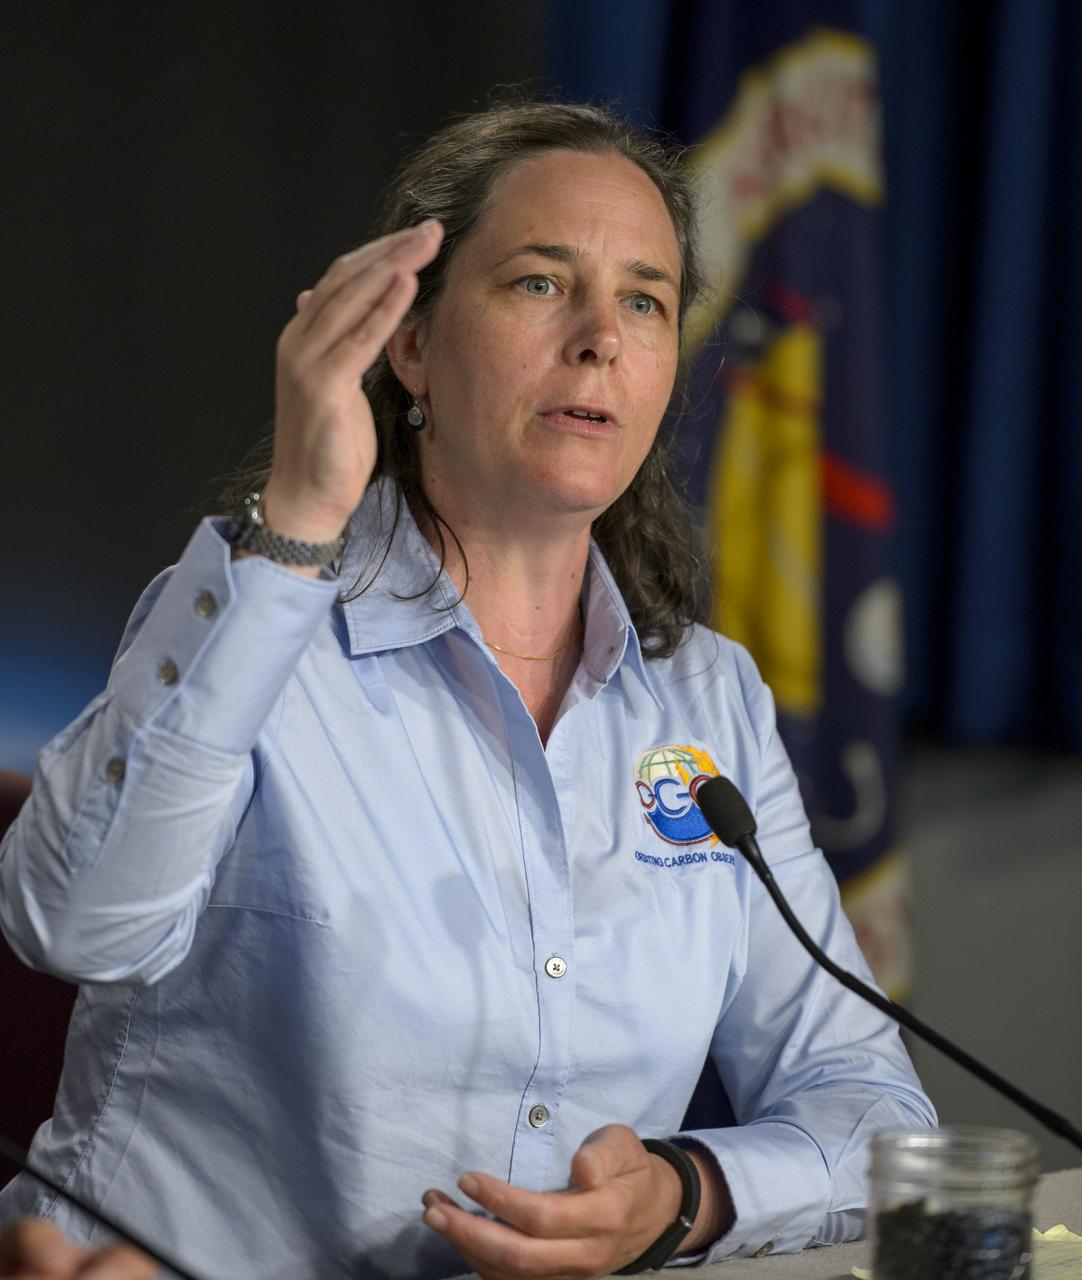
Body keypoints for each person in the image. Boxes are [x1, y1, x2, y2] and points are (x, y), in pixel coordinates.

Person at [0, 99, 935, 1280]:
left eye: (643, 299)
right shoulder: (257, 635)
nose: (601, 336)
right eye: (541, 283)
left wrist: (685, 1192)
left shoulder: (707, 698)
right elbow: (68, 924)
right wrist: (292, 524)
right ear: (408, 345)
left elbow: (872, 1109)